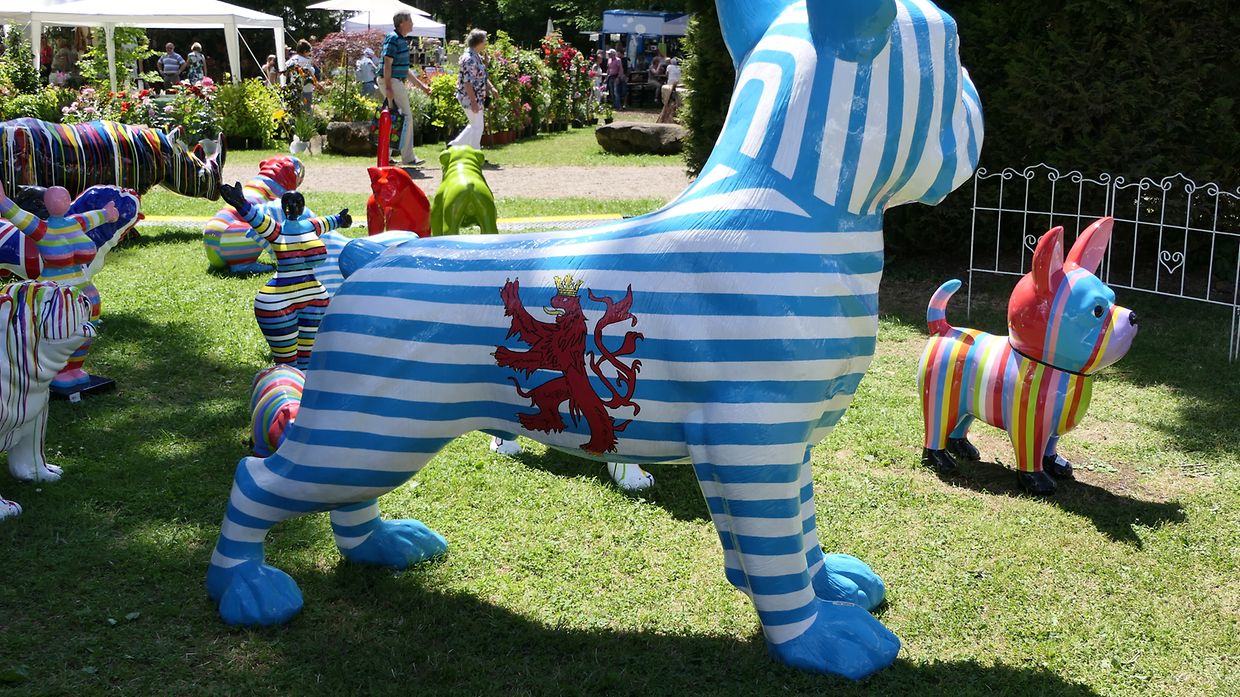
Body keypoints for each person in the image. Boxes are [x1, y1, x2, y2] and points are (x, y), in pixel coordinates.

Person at [383, 12, 433, 166]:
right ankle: (408, 157)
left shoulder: (401, 40)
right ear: (402, 23)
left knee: (394, 118)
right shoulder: (393, 38)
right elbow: (387, 63)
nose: (412, 23)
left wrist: (422, 87)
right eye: (410, 20)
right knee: (406, 117)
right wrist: (388, 87)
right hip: (392, 81)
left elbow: (405, 70)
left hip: (393, 81)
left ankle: (386, 156)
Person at [449, 29, 497, 151]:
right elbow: (467, 82)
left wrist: (491, 88)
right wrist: (473, 101)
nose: (485, 43)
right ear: (479, 42)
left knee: (475, 125)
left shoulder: (476, 56)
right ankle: (474, 151)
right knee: (478, 126)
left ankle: (456, 145)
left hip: (476, 97)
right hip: (469, 97)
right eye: (484, 41)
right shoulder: (470, 59)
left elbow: (481, 76)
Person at [286, 40, 319, 111]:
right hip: (306, 84)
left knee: (296, 103)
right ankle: (307, 115)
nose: (310, 53)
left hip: (294, 84)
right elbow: (311, 71)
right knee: (307, 105)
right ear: (305, 51)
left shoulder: (293, 58)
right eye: (309, 51)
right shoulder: (305, 61)